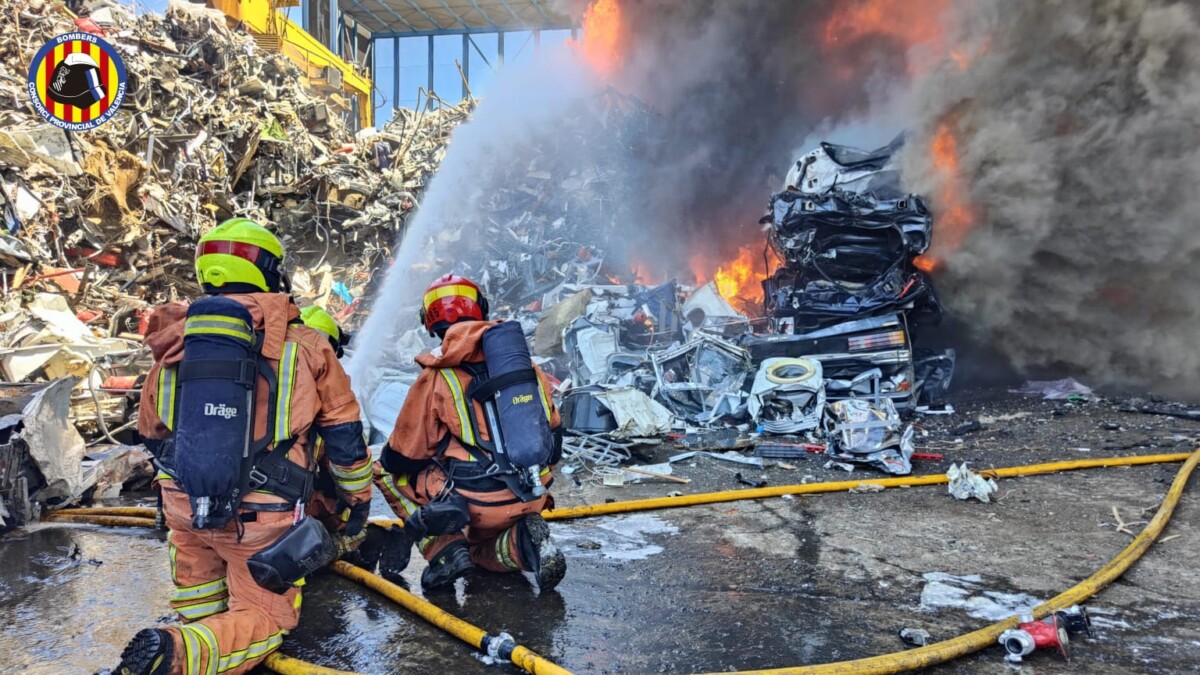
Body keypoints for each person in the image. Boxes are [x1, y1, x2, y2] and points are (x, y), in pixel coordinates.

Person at [110, 219, 373, 675]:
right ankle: (174, 655)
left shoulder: (174, 345)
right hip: (261, 516)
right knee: (267, 618)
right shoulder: (306, 345)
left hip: (183, 502)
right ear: (271, 271)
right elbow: (345, 438)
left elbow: (149, 430)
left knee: (199, 597)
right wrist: (358, 501)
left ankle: (199, 635)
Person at [371, 274, 567, 592]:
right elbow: (554, 432)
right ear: (482, 309)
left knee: (382, 470)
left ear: (430, 323)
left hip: (479, 503)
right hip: (534, 490)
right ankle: (525, 543)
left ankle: (445, 551)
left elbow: (404, 455)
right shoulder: (523, 367)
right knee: (481, 551)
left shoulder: (438, 377)